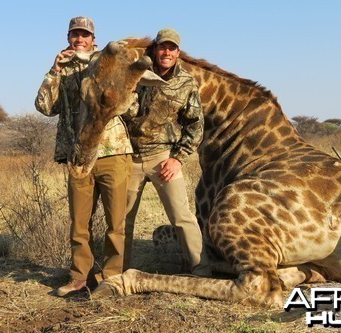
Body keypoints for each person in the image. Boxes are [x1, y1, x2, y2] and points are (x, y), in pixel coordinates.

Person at [35, 16, 133, 296]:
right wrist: (53, 70)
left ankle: (112, 279)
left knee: (116, 223)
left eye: (84, 35)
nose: (79, 39)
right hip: (78, 158)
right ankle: (80, 277)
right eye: (75, 34)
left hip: (112, 152)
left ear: (93, 39)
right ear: (68, 38)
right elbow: (44, 107)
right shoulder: (62, 68)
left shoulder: (109, 63)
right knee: (79, 224)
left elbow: (128, 102)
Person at [123, 28, 211, 276]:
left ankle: (202, 272)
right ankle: (116, 271)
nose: (167, 52)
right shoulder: (136, 74)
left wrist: (178, 159)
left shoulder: (186, 82)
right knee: (123, 221)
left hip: (163, 159)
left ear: (178, 53)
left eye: (172, 48)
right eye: (163, 47)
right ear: (154, 49)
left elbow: (195, 125)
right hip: (130, 157)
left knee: (182, 217)